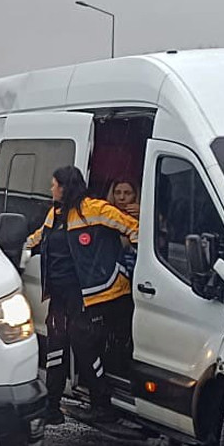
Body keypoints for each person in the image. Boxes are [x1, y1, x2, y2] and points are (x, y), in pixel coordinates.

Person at [27, 166, 138, 427]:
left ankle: (102, 406)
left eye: (54, 185)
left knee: (84, 346)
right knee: (56, 348)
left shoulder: (96, 209)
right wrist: (12, 250)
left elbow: (135, 231)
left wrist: (120, 268)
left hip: (90, 294)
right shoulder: (54, 213)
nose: (51, 189)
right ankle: (51, 407)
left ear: (65, 187)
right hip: (59, 294)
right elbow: (37, 239)